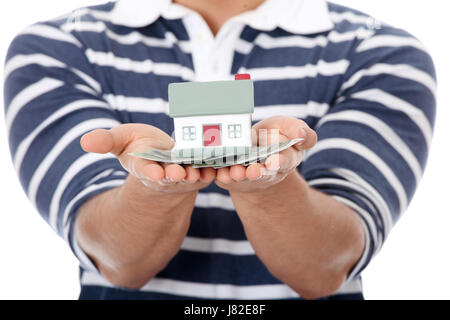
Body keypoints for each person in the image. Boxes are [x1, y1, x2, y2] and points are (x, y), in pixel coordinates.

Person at [3, 0, 436, 300]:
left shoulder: (382, 52)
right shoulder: (56, 48)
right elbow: (117, 262)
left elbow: (326, 269)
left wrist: (267, 186)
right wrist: (157, 189)